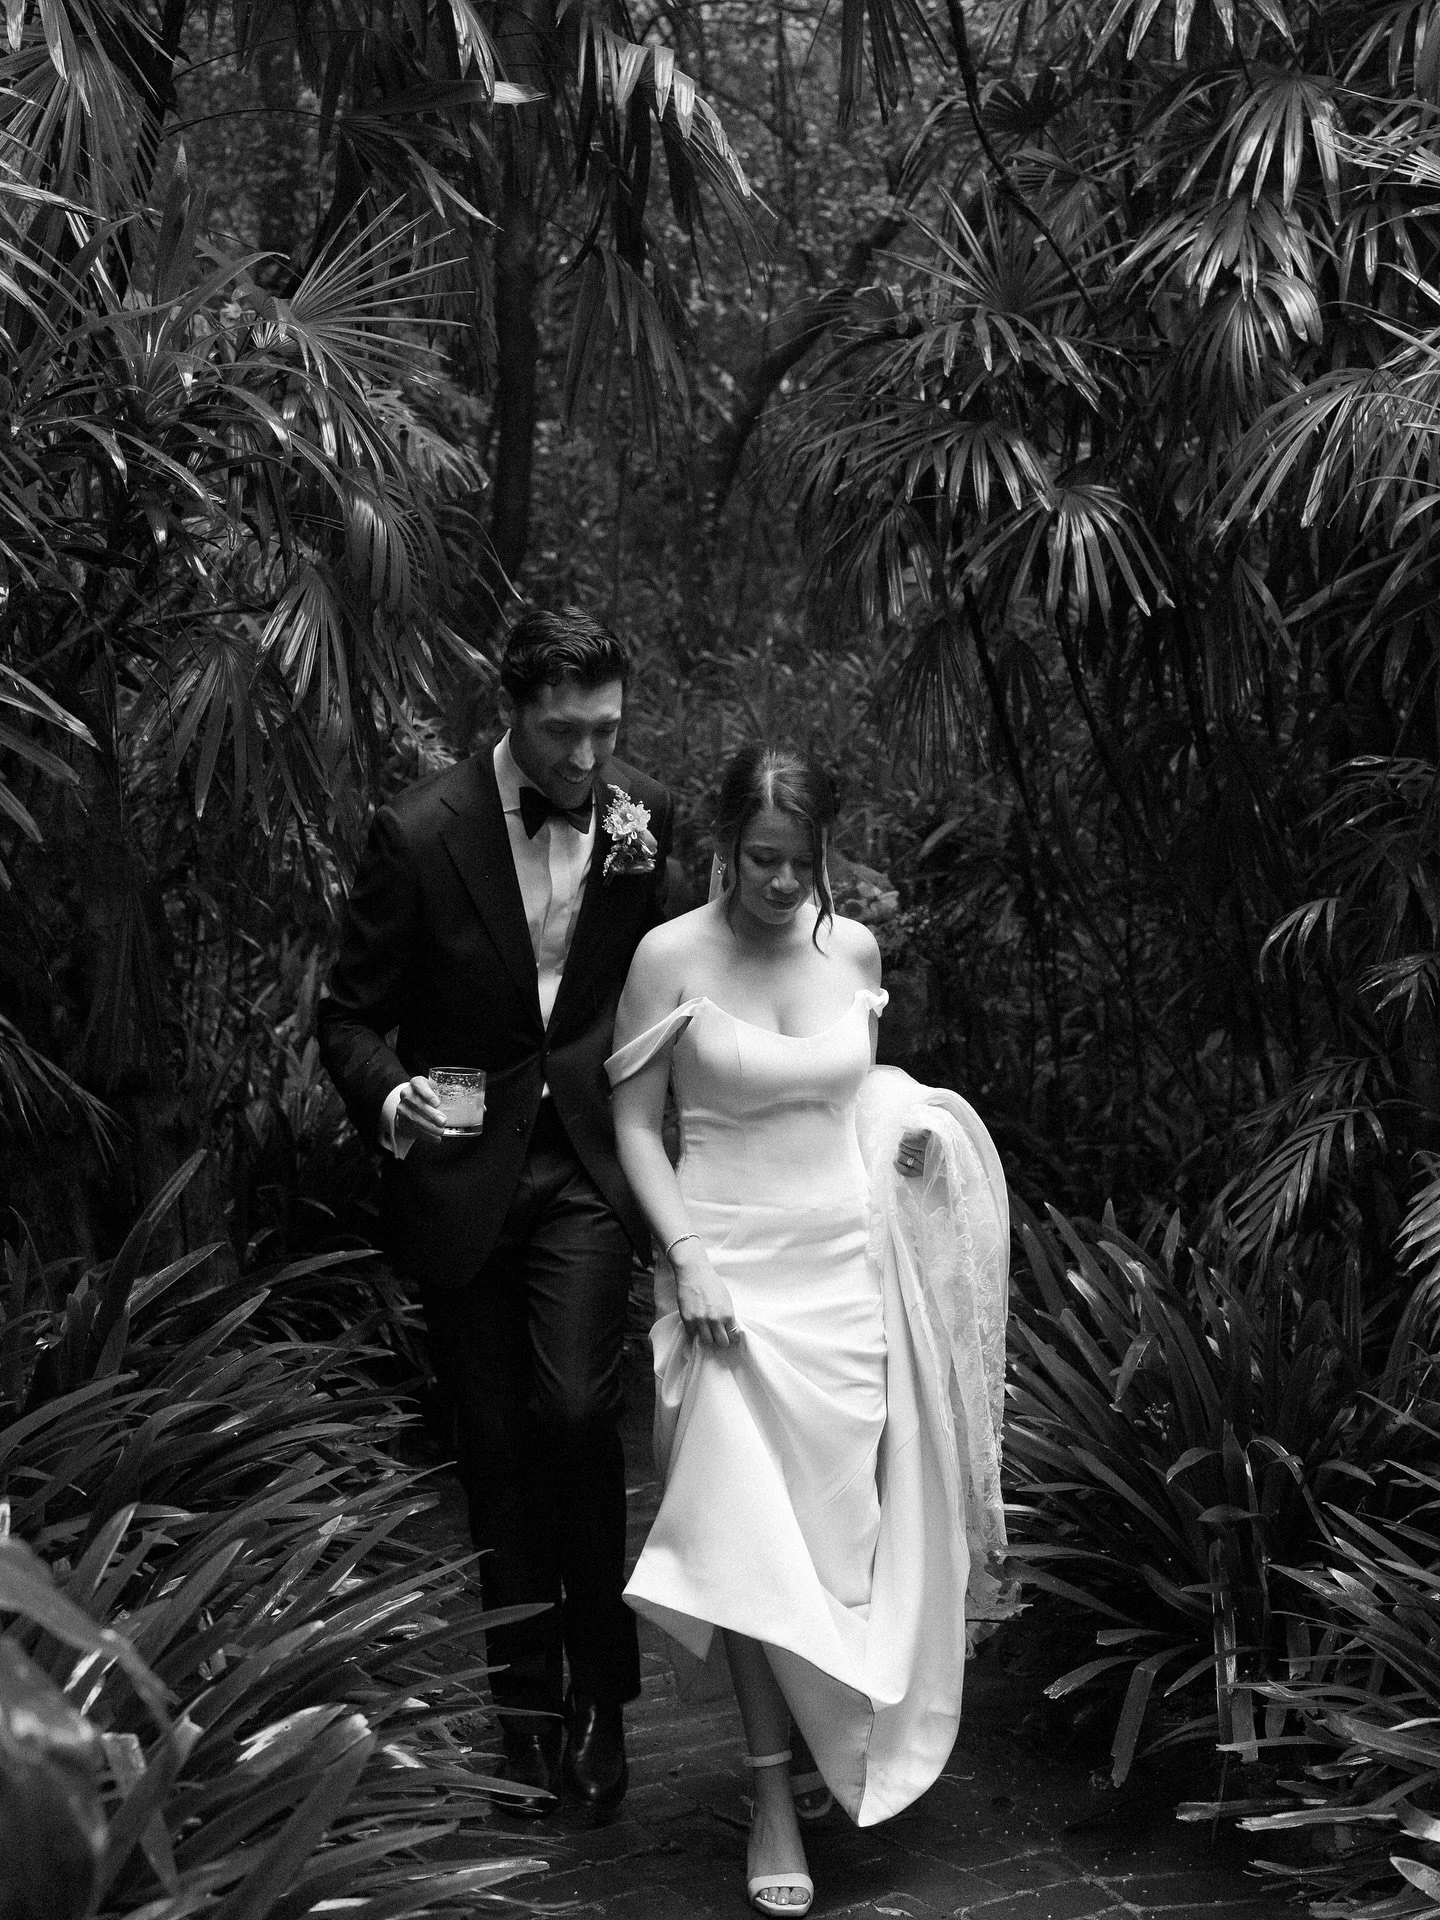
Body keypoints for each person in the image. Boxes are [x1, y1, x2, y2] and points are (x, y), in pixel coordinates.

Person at [605, 744, 1012, 1917]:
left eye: (800, 863)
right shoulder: (667, 956)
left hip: (842, 1278)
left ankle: (835, 1735)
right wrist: (689, 1263)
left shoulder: (857, 953)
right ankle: (772, 1792)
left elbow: (860, 1103)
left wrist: (912, 1143)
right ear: (723, 845)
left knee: (836, 1544)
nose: (782, 885)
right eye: (760, 860)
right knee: (744, 1537)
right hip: (724, 1279)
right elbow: (636, 1127)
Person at [317, 605, 674, 1819]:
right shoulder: (418, 834)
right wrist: (391, 1094)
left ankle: (604, 1703)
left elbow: (677, 974)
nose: (589, 762)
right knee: (495, 1456)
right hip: (462, 1175)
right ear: (511, 713)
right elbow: (346, 1016)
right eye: (565, 733)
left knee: (579, 1413)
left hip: (581, 1167)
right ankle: (524, 1711)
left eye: (608, 732)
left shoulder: (642, 824)